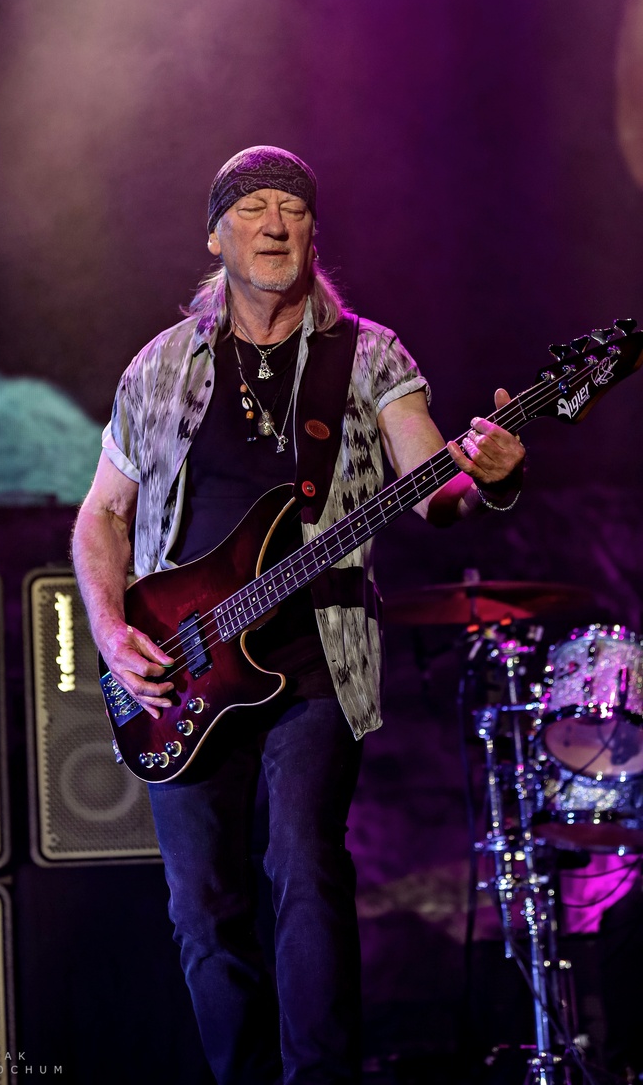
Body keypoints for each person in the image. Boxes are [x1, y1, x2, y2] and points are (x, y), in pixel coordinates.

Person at [72, 146, 525, 1084]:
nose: (274, 224)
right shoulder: (160, 366)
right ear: (215, 236)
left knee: (306, 866)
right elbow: (102, 515)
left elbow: (431, 489)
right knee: (201, 906)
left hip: (317, 654)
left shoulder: (369, 352)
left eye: (292, 208)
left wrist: (487, 479)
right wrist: (112, 634)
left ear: (315, 234)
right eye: (252, 208)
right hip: (183, 663)